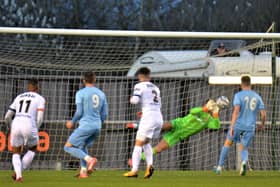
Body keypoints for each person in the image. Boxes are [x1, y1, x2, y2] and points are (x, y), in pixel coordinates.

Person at [127, 96, 229, 163]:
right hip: (177, 124)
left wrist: (216, 113)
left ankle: (136, 159)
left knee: (158, 149)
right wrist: (204, 108)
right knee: (160, 126)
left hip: (179, 135)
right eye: (208, 104)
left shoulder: (210, 120)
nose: (209, 106)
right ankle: (137, 125)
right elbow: (192, 111)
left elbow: (216, 127)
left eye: (210, 105)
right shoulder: (200, 111)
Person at [214, 75, 266, 176]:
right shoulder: (257, 96)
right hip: (250, 127)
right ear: (250, 84)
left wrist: (232, 126)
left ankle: (219, 167)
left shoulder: (238, 95)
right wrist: (262, 124)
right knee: (244, 147)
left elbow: (236, 111)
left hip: (238, 125)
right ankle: (244, 162)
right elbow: (263, 114)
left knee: (228, 143)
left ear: (241, 84)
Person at [64, 72, 108, 178]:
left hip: (85, 126)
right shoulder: (101, 94)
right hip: (97, 126)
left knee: (67, 147)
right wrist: (98, 123)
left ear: (83, 80)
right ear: (94, 80)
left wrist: (72, 121)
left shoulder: (80, 93)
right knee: (82, 145)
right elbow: (105, 113)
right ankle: (83, 172)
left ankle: (90, 160)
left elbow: (79, 112)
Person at [123, 67, 163, 179]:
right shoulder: (156, 87)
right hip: (158, 117)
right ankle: (149, 166)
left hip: (148, 117)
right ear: (149, 76)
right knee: (146, 142)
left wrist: (131, 99)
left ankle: (134, 170)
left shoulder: (139, 86)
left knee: (138, 143)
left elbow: (135, 100)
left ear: (139, 76)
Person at [4, 79, 45, 182]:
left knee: (16, 151)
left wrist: (9, 127)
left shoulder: (19, 97)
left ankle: (18, 175)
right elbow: (40, 118)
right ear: (37, 87)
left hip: (16, 123)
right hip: (29, 124)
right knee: (32, 149)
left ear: (28, 87)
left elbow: (7, 116)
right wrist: (36, 128)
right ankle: (19, 172)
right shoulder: (40, 98)